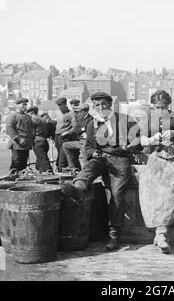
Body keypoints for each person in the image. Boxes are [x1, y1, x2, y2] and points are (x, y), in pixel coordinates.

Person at [61, 92, 141, 251]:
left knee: (117, 193)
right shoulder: (92, 123)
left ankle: (114, 235)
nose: (101, 107)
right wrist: (94, 153)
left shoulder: (124, 119)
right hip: (101, 157)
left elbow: (139, 138)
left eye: (104, 104)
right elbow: (88, 147)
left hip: (120, 159)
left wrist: (131, 145)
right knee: (88, 169)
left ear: (110, 104)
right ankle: (76, 189)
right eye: (97, 105)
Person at [139, 90, 174, 253]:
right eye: (157, 107)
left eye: (164, 107)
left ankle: (160, 234)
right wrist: (152, 139)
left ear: (168, 106)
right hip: (157, 158)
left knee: (171, 189)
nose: (160, 110)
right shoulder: (149, 119)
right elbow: (142, 140)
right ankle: (160, 234)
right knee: (152, 188)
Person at [5, 98, 34, 173]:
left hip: (26, 145)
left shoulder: (28, 117)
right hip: (17, 144)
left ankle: (20, 179)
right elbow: (9, 129)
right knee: (16, 163)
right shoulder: (13, 116)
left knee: (23, 165)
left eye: (26, 105)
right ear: (17, 105)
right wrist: (19, 139)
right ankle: (12, 178)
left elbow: (31, 130)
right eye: (23, 105)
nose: (25, 106)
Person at [62, 103, 93, 170]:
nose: (79, 113)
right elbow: (77, 129)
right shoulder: (80, 119)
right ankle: (72, 167)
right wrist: (81, 130)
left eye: (81, 111)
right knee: (65, 145)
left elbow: (86, 130)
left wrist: (81, 130)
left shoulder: (91, 119)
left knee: (86, 162)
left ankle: (87, 170)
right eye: (78, 112)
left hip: (86, 142)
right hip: (80, 141)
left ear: (86, 111)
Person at [54, 97, 79, 172]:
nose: (59, 107)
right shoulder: (59, 114)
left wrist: (67, 132)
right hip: (57, 137)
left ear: (65, 104)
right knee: (59, 155)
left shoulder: (71, 114)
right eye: (58, 105)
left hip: (65, 137)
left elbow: (75, 127)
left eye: (61, 105)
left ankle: (64, 170)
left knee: (63, 157)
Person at [26, 106, 53, 173]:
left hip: (38, 142)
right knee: (41, 159)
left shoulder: (33, 119)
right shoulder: (42, 119)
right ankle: (41, 169)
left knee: (43, 160)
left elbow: (30, 131)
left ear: (31, 112)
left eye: (28, 113)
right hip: (44, 141)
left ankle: (48, 172)